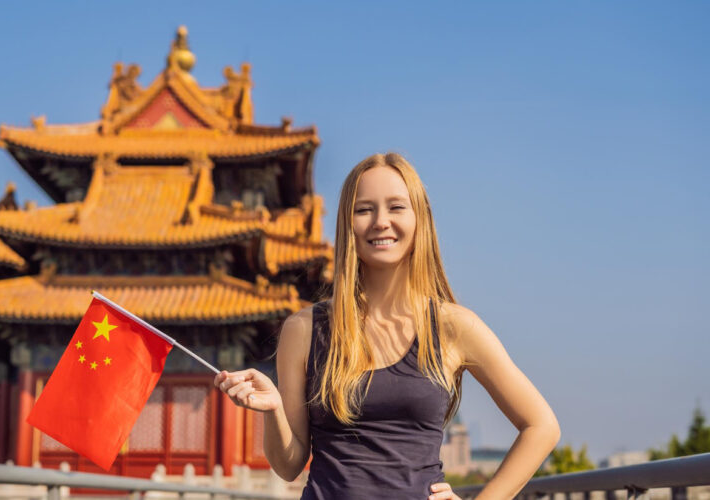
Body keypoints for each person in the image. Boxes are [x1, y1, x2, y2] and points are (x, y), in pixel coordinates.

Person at [214, 152, 561, 500]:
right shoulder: (304, 329)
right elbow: (289, 465)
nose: (381, 221)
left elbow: (542, 427)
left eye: (396, 207)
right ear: (347, 223)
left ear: (419, 219)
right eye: (364, 209)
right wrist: (273, 406)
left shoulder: (454, 326)